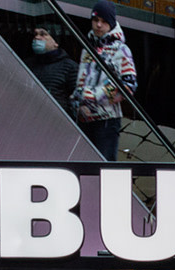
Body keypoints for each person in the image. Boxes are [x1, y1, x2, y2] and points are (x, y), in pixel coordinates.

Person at [71, 0, 136, 161]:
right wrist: (76, 101)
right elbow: (81, 81)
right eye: (95, 20)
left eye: (104, 21)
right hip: (83, 118)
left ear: (111, 23)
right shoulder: (87, 48)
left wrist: (92, 96)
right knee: (83, 170)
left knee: (104, 170)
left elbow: (129, 86)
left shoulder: (121, 50)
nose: (99, 25)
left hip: (106, 121)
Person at [27, 25, 78, 109]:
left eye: (43, 34)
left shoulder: (69, 67)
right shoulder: (27, 64)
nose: (37, 37)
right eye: (35, 34)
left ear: (56, 42)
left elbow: (75, 99)